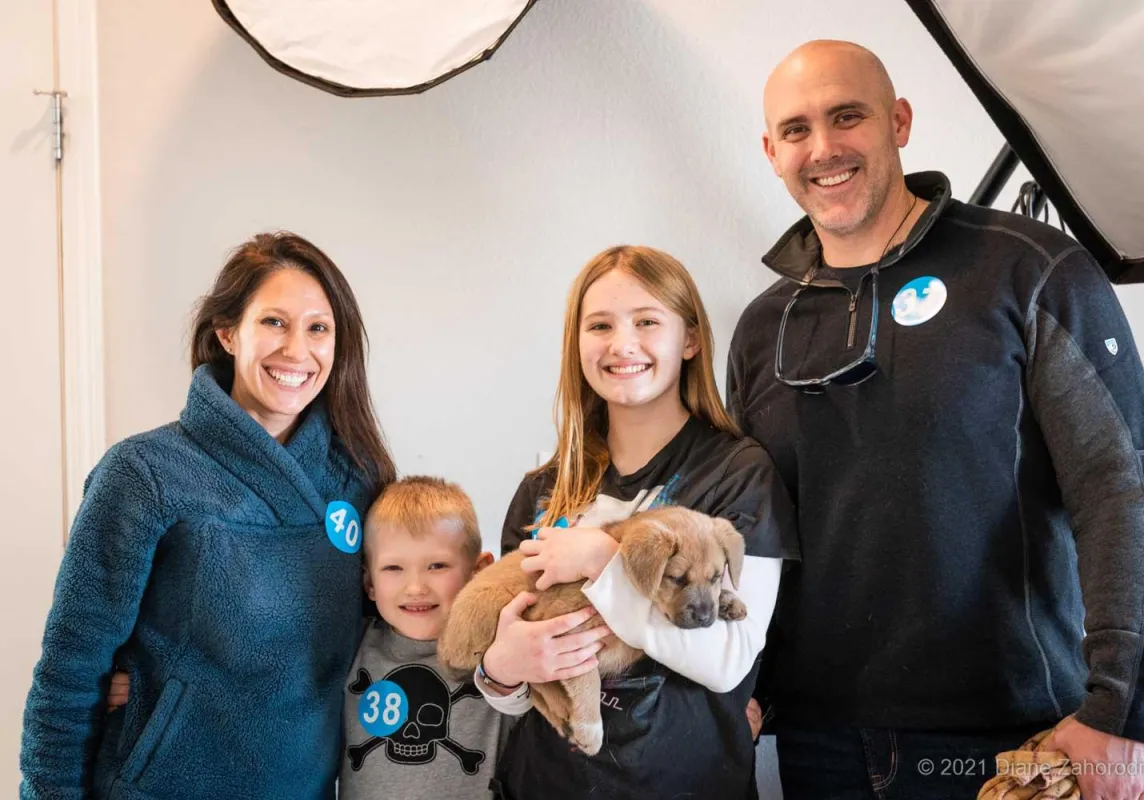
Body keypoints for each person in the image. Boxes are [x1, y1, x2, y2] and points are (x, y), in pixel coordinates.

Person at [728, 40, 1144, 799]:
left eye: (848, 116)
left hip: (1011, 735)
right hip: (816, 741)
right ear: (771, 152)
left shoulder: (1029, 269)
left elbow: (1118, 487)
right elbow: (753, 530)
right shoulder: (764, 326)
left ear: (898, 121)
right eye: (796, 130)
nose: (824, 148)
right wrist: (741, 677)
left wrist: (1123, 707)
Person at [20, 232, 396, 799]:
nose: (297, 349)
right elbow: (69, 674)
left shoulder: (358, 479)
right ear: (227, 333)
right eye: (274, 322)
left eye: (319, 328)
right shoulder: (143, 473)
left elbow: (400, 627)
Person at [475, 245, 798, 799]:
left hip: (685, 785)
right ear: (577, 345)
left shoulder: (739, 475)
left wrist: (604, 559)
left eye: (647, 321)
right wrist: (499, 669)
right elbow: (515, 691)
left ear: (690, 340)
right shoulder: (544, 491)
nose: (621, 344)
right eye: (599, 325)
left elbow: (727, 663)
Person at [340, 475, 512, 800]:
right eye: (393, 568)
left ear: (479, 571)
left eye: (436, 565)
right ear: (369, 583)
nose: (416, 587)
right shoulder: (351, 646)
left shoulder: (498, 650)